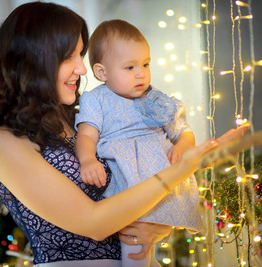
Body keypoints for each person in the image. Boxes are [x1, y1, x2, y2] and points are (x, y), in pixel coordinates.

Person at [0, 1, 250, 267]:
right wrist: (186, 168)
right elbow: (94, 222)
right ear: (33, 62)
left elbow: (131, 188)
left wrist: (157, 228)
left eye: (80, 55)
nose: (81, 69)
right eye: (69, 57)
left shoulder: (74, 116)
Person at [74, 19, 200, 266]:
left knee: (147, 244)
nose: (141, 73)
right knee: (133, 242)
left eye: (145, 64)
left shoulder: (155, 98)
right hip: (127, 180)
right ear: (102, 72)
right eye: (129, 67)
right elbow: (86, 135)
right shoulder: (96, 100)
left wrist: (183, 146)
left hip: (161, 174)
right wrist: (87, 158)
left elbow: (182, 130)